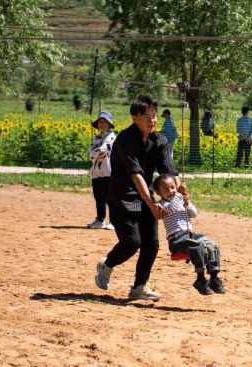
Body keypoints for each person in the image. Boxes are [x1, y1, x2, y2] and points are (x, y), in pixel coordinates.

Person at [95, 94, 180, 301]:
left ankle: (139, 287)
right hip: (121, 198)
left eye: (154, 116)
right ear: (134, 117)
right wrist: (153, 204)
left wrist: (179, 191)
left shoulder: (159, 140)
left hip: (144, 196)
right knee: (132, 242)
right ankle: (107, 265)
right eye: (147, 116)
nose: (152, 120)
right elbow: (137, 175)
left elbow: (168, 172)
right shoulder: (125, 140)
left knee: (152, 244)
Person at [153, 173, 225, 296]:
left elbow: (194, 214)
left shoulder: (179, 200)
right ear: (158, 192)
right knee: (198, 247)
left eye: (173, 187)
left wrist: (187, 203)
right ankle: (200, 279)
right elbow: (171, 209)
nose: (171, 191)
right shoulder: (162, 205)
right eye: (166, 189)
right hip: (176, 239)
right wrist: (179, 195)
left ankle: (214, 277)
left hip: (190, 235)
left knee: (213, 245)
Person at [87, 111, 116, 230]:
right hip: (96, 171)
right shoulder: (97, 137)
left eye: (104, 121)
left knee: (110, 197)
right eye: (100, 121)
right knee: (98, 196)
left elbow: (103, 149)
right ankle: (100, 220)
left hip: (108, 170)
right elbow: (90, 150)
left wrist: (94, 153)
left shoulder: (112, 137)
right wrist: (94, 153)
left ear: (109, 124)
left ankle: (113, 222)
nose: (102, 123)